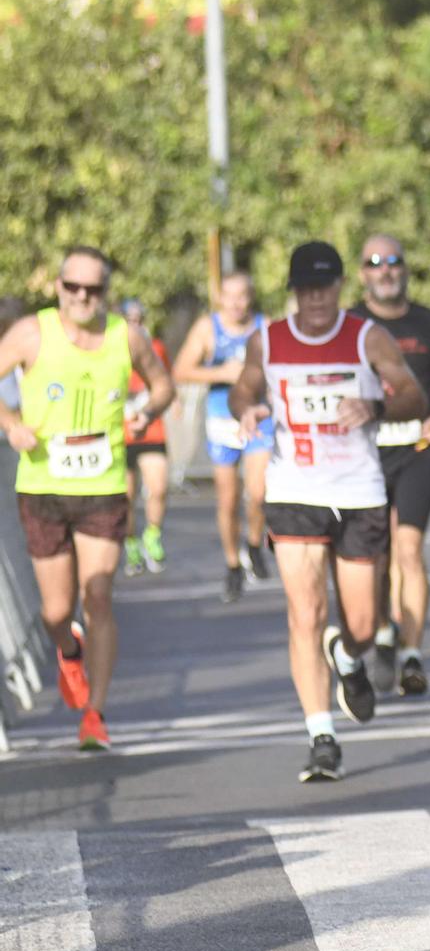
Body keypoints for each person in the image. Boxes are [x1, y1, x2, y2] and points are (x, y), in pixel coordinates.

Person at [232, 241, 423, 782]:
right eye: (306, 289)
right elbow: (241, 391)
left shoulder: (368, 337)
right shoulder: (267, 340)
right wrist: (248, 409)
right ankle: (321, 735)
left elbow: (414, 395)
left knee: (361, 623)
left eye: (326, 287)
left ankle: (346, 651)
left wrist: (376, 405)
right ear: (294, 291)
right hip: (294, 490)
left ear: (341, 286)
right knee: (304, 612)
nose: (316, 299)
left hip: (359, 492)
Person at [0, 247, 173, 749]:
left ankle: (94, 715)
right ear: (58, 288)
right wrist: (12, 425)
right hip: (43, 487)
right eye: (72, 287)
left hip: (103, 486)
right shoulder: (32, 333)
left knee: (97, 594)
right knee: (56, 611)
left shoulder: (127, 336)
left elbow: (163, 386)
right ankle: (66, 650)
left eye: (92, 289)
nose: (82, 296)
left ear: (105, 293)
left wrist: (144, 409)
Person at [352, 233, 430, 697]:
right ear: (362, 274)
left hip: (416, 449)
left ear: (405, 269)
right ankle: (381, 633)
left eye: (393, 261)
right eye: (375, 263)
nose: (385, 270)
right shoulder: (350, 324)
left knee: (409, 551)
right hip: (365, 453)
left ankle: (412, 654)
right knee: (375, 558)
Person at [174, 270, 275, 602]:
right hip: (222, 421)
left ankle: (255, 543)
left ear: (251, 297)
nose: (235, 303)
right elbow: (181, 370)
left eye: (242, 296)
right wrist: (221, 372)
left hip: (258, 416)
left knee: (258, 493)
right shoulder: (208, 328)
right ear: (220, 298)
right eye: (229, 296)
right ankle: (233, 564)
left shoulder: (265, 325)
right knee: (228, 499)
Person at [119, 300, 174, 576]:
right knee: (126, 496)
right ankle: (130, 544)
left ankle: (152, 537)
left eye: (140, 319)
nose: (135, 324)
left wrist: (163, 406)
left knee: (158, 487)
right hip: (121, 433)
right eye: (130, 319)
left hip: (150, 429)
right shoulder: (109, 350)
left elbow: (166, 383)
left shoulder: (157, 348)